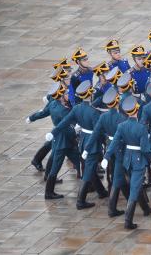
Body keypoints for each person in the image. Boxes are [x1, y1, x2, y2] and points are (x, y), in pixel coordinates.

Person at [46, 81, 108, 210]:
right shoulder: (94, 112)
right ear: (90, 94)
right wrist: (105, 143)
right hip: (92, 142)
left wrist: (53, 133)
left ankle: (101, 191)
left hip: (83, 140)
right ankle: (81, 200)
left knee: (88, 167)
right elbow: (98, 131)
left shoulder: (77, 108)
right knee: (88, 170)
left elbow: (64, 122)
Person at [27, 82, 81, 199]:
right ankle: (48, 193)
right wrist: (77, 131)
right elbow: (69, 125)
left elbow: (42, 113)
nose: (68, 94)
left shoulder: (53, 105)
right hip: (65, 141)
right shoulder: (63, 111)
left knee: (79, 161)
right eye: (66, 93)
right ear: (61, 96)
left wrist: (31, 118)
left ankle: (90, 183)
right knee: (58, 166)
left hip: (59, 140)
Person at [110, 95, 151, 229]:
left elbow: (115, 142)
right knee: (134, 188)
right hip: (138, 159)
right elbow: (145, 149)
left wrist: (106, 156)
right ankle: (128, 220)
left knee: (136, 184)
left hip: (127, 159)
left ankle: (145, 209)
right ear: (137, 109)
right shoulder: (141, 128)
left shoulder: (122, 125)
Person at [85, 88, 127, 217]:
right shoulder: (121, 117)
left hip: (109, 147)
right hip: (120, 149)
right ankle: (112, 208)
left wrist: (87, 148)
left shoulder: (103, 116)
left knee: (118, 175)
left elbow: (96, 133)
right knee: (117, 177)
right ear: (117, 102)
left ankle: (134, 198)